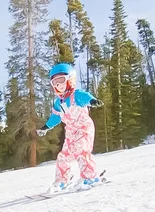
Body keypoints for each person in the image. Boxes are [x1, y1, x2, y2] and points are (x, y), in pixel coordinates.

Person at [36, 63, 104, 193]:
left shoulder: (76, 95)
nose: (58, 85)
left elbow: (86, 97)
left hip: (83, 128)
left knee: (82, 151)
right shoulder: (58, 103)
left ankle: (90, 177)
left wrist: (93, 101)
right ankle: (62, 181)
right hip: (71, 132)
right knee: (63, 156)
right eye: (54, 82)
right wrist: (45, 127)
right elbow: (56, 118)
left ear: (70, 80)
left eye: (61, 80)